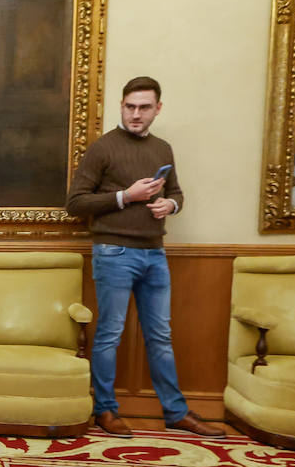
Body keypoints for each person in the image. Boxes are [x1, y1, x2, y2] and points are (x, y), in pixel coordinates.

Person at [65, 76, 225, 438]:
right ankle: (106, 410)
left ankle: (176, 411)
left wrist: (170, 204)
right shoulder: (103, 148)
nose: (136, 114)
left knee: (161, 336)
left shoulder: (163, 149)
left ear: (158, 109)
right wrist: (127, 196)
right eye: (130, 106)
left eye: (144, 107)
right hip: (114, 251)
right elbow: (75, 203)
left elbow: (178, 194)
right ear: (121, 106)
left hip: (155, 252)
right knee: (110, 334)